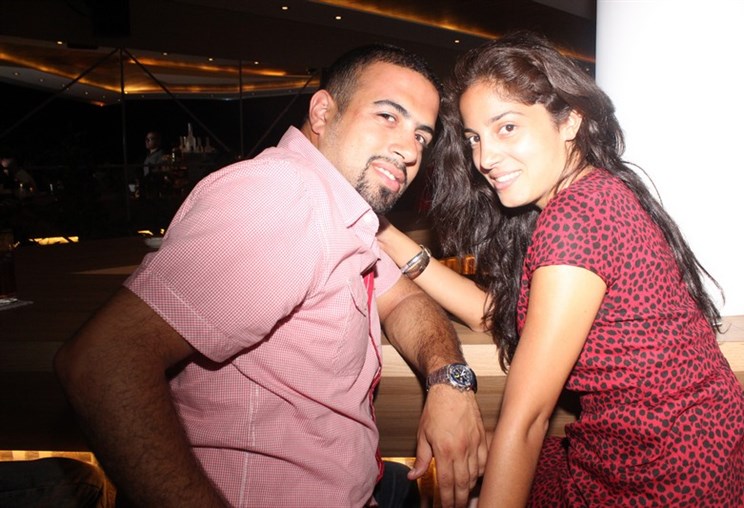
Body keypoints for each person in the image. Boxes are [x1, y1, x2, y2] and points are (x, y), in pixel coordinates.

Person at [55, 44, 487, 508]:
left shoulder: (337, 206)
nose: (408, 149)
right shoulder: (281, 195)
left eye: (421, 136)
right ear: (322, 112)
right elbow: (101, 360)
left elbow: (404, 299)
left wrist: (450, 379)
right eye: (387, 116)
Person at [377, 31, 744, 507]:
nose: (484, 158)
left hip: (665, 473)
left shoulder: (575, 219)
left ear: (570, 121)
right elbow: (494, 314)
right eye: (475, 138)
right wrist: (386, 235)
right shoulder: (597, 190)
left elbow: (527, 420)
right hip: (702, 445)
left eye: (507, 127)